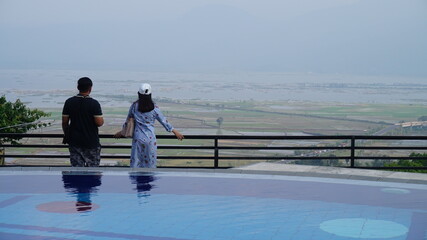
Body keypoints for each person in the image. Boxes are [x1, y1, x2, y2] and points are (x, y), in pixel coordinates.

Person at [114, 83, 184, 168]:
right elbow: (164, 121)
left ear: (139, 94)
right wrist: (175, 132)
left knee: (136, 162)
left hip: (137, 139)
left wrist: (121, 132)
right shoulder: (155, 108)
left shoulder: (134, 106)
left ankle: (136, 181)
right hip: (150, 140)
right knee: (150, 163)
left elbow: (128, 122)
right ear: (150, 94)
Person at [62, 77, 104, 167]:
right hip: (91, 142)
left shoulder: (69, 102)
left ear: (78, 87)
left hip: (74, 141)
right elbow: (99, 123)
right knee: (93, 171)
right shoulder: (94, 104)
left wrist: (66, 134)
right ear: (90, 88)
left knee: (77, 172)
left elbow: (65, 122)